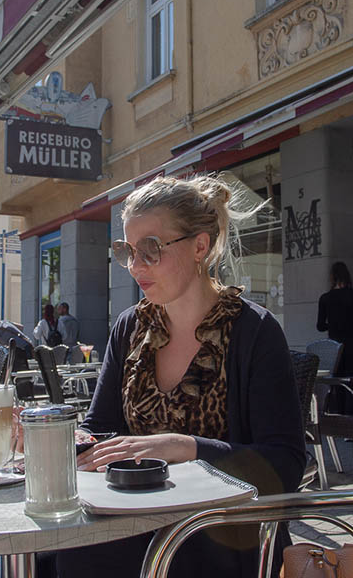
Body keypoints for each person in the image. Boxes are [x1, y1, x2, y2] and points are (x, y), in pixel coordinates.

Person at [57, 175, 305, 578]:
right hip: (132, 523)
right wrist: (61, 439)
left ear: (200, 246)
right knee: (42, 552)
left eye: (151, 249)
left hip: (222, 535)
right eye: (127, 251)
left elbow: (286, 465)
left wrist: (186, 446)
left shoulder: (253, 332)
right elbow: (100, 429)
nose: (136, 266)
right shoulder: (130, 328)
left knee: (76, 560)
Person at [317, 261, 353, 412]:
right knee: (351, 379)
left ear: (332, 277)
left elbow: (320, 325)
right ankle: (352, 412)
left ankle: (337, 412)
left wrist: (334, 324)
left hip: (334, 344)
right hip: (352, 343)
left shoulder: (325, 298)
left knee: (335, 379)